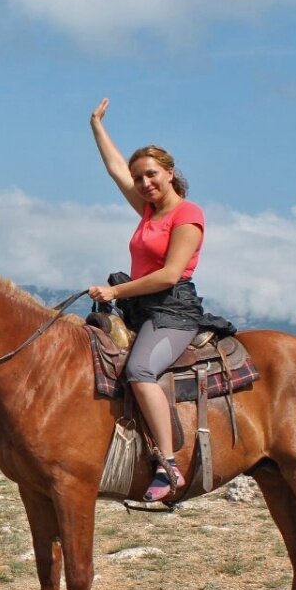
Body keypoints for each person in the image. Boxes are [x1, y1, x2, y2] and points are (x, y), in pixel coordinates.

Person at [87, 98, 205, 502]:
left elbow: (171, 274)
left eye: (151, 174)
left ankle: (169, 464)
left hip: (172, 309)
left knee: (139, 370)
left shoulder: (187, 215)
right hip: (141, 307)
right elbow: (116, 170)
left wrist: (116, 291)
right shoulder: (148, 212)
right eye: (139, 178)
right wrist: (96, 126)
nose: (143, 183)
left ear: (170, 173)